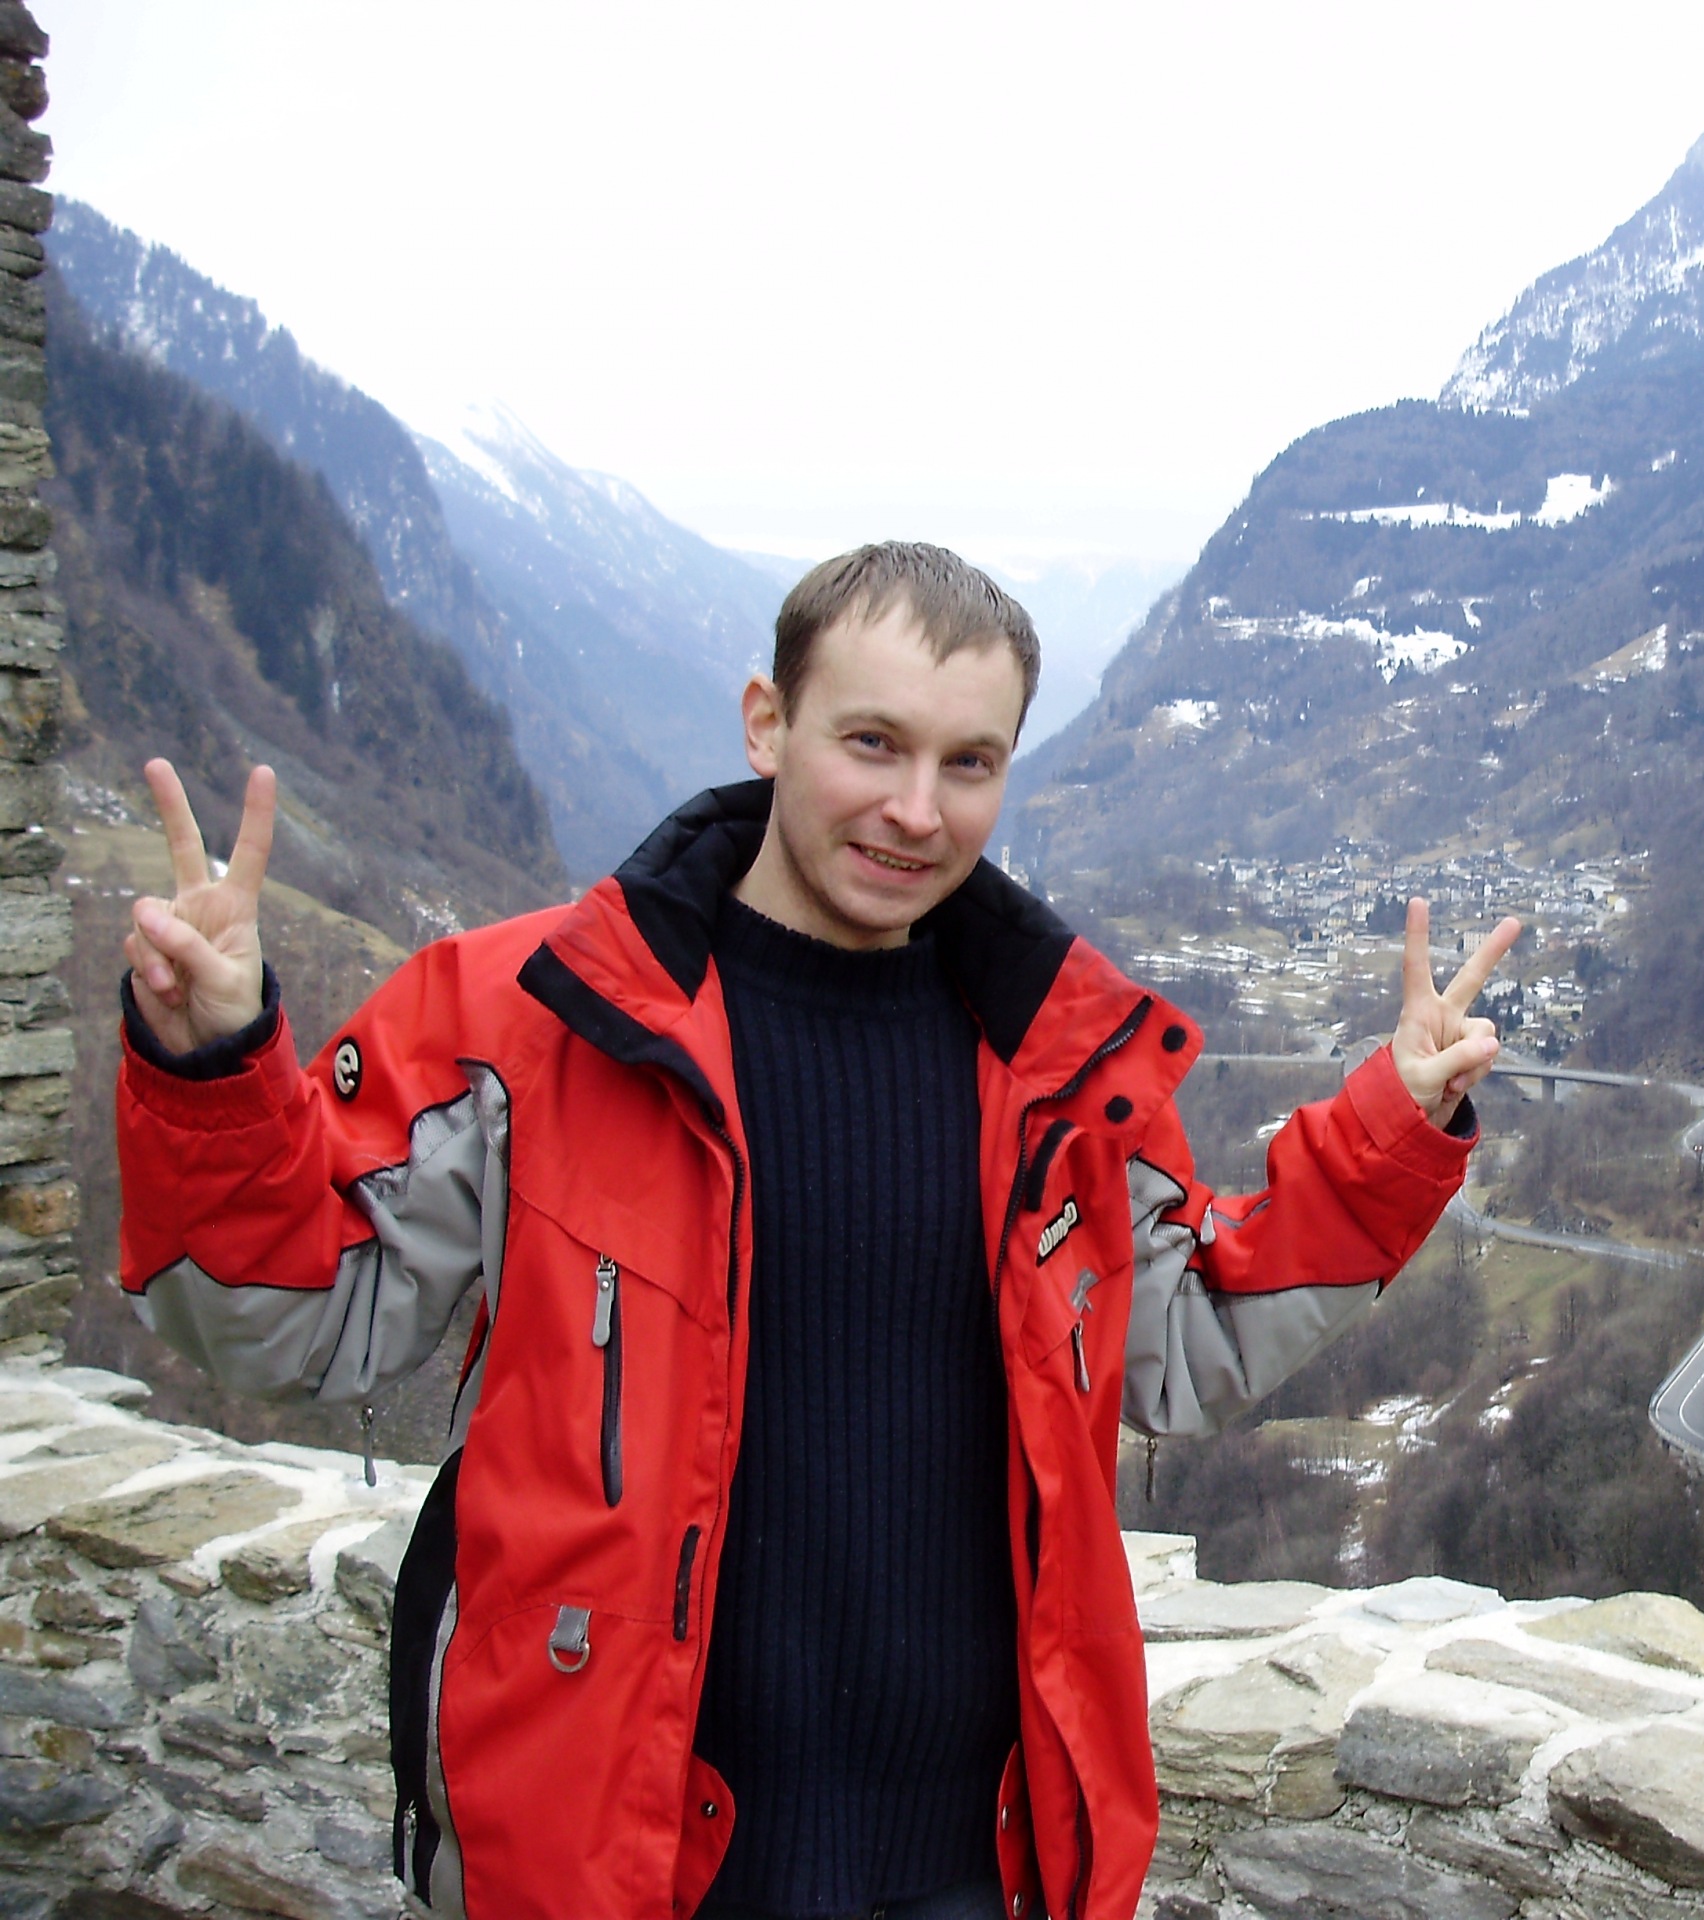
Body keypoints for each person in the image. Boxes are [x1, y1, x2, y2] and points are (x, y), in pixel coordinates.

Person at [114, 542, 1518, 1920]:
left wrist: (1390, 1131)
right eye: (873, 743)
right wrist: (212, 1071)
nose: (917, 810)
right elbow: (293, 1325)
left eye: (969, 762)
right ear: (767, 724)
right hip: (618, 1856)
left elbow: (1182, 1339)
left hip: (976, 1859)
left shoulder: (1058, 1072)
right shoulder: (528, 1018)